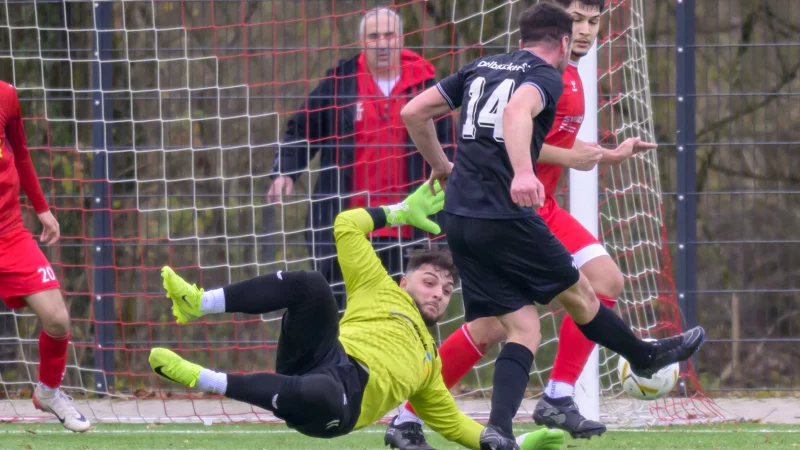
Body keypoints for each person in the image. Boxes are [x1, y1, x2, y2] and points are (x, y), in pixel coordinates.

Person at [398, 3, 705, 449]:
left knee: (525, 324)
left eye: (593, 21)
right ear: (562, 40)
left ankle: (497, 426)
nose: (584, 31)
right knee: (578, 295)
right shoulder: (546, 75)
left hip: (463, 213)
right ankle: (640, 355)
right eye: (576, 20)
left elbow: (414, 112)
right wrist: (524, 172)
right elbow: (515, 116)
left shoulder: (483, 66)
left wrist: (443, 166)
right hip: (511, 210)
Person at [148, 183, 564, 450]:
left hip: (338, 403)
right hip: (321, 355)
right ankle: (199, 302)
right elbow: (346, 225)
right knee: (311, 284)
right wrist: (401, 211)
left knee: (324, 392)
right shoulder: (377, 285)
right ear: (405, 281)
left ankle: (204, 379)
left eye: (446, 290)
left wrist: (515, 442)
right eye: (430, 281)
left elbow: (456, 425)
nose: (438, 293)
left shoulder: (429, 363)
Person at [267, 7, 454, 309]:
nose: (382, 43)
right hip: (350, 227)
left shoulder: (427, 86)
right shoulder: (340, 84)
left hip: (410, 230)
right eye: (373, 36)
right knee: (342, 314)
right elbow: (303, 126)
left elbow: (451, 150)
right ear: (361, 42)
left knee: (404, 317)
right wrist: (285, 171)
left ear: (401, 38)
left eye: (389, 35)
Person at [0, 81, 89, 432]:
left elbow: (21, 154)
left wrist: (41, 208)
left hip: (9, 233)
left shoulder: (6, 95)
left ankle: (48, 392)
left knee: (57, 320)